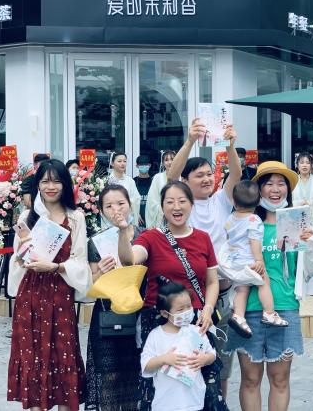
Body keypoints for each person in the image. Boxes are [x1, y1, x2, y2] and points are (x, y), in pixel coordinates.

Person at [225, 161, 313, 411]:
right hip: (248, 310)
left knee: (279, 379)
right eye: (269, 184)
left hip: (285, 307)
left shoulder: (293, 222)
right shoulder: (245, 223)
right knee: (250, 379)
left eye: (281, 184)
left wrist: (311, 242)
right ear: (258, 189)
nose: (275, 189)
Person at [115, 180, 220, 411]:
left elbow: (212, 282)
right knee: (160, 383)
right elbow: (129, 259)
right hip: (160, 319)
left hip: (196, 319)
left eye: (182, 201)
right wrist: (123, 232)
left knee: (200, 378)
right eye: (170, 202)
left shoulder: (203, 238)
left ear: (191, 204)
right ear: (162, 206)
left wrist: (208, 309)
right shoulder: (151, 237)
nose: (176, 207)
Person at [165, 118, 242, 398]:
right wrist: (190, 141)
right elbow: (171, 177)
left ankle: (219, 403)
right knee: (187, 361)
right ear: (186, 182)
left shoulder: (221, 199)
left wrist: (230, 146)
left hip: (220, 294)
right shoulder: (182, 204)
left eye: (209, 174)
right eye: (199, 175)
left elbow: (235, 175)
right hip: (188, 296)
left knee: (220, 363)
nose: (207, 179)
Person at [7, 159, 92, 411]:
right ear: (37, 185)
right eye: (45, 181)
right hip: (31, 294)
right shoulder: (28, 217)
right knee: (32, 353)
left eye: (56, 181)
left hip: (60, 291)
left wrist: (55, 267)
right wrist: (24, 249)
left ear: (65, 184)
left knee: (63, 351)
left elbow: (80, 260)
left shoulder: (75, 218)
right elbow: (18, 259)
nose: (50, 187)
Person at [85, 184, 142, 411]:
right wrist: (100, 271)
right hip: (107, 314)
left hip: (139, 312)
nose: (116, 209)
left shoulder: (145, 236)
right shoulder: (96, 241)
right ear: (101, 211)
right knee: (108, 376)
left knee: (134, 375)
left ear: (130, 204)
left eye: (120, 203)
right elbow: (93, 284)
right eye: (108, 206)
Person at [222, 180, 288, 338]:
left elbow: (228, 237)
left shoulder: (230, 218)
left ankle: (238, 316)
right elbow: (254, 242)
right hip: (250, 262)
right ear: (258, 201)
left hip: (235, 262)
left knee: (242, 289)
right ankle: (269, 313)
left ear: (234, 202)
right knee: (264, 282)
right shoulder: (254, 220)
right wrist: (259, 260)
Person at [141, 281, 216, 411]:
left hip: (194, 401)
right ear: (165, 313)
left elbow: (212, 354)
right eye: (181, 309)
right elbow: (146, 365)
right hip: (166, 404)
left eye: (189, 306)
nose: (187, 311)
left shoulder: (196, 332)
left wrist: (205, 359)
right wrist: (164, 359)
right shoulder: (156, 335)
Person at [108, 151, 143, 226]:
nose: (122, 163)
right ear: (112, 163)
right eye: (119, 161)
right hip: (112, 217)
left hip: (128, 217)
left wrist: (128, 205)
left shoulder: (130, 181)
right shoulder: (107, 181)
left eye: (124, 161)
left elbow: (136, 198)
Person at [146, 150, 176, 229]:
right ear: (163, 163)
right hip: (161, 218)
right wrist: (163, 209)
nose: (169, 162)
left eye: (172, 159)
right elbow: (151, 200)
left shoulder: (181, 177)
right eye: (166, 160)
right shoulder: (157, 177)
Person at [134, 154, 153, 226]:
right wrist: (135, 213)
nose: (144, 166)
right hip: (137, 220)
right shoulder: (133, 182)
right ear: (137, 166)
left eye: (146, 164)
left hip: (151, 219)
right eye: (141, 165)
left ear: (149, 165)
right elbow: (129, 200)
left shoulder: (154, 181)